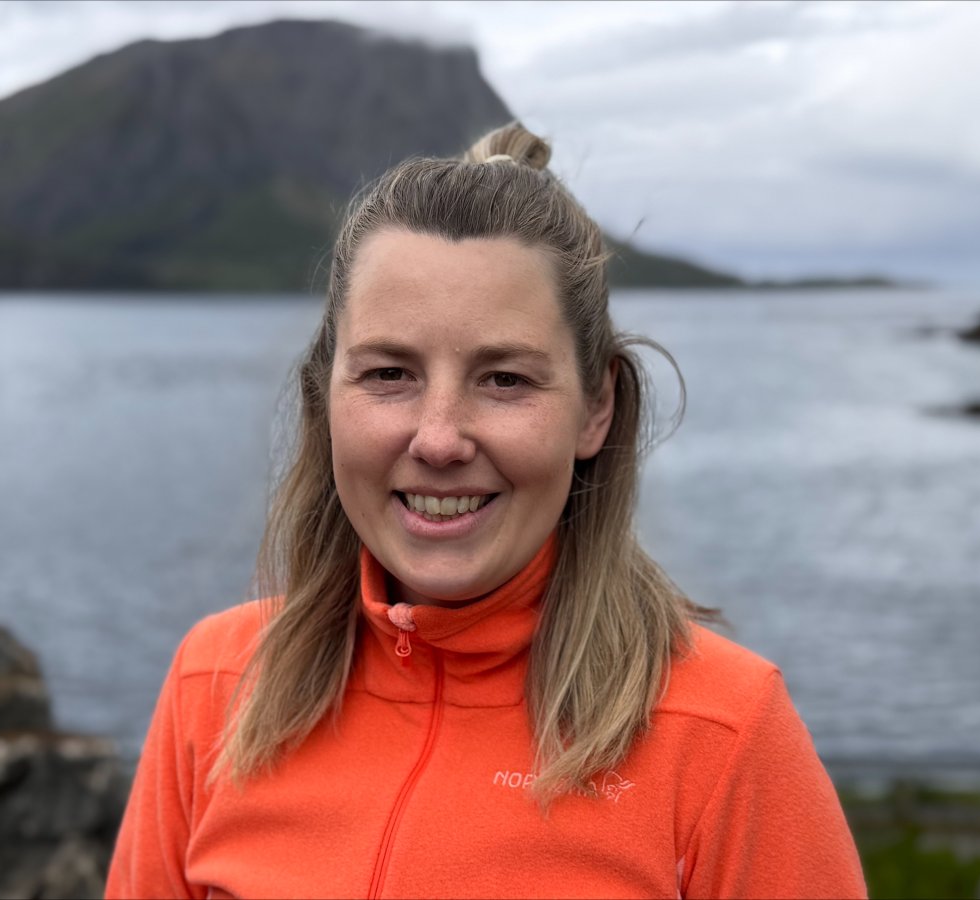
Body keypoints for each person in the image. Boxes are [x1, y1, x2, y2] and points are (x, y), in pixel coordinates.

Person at [105, 122, 866, 899]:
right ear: (324, 393)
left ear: (596, 406)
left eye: (504, 380)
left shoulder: (723, 733)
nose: (438, 439)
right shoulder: (218, 681)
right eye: (389, 373)